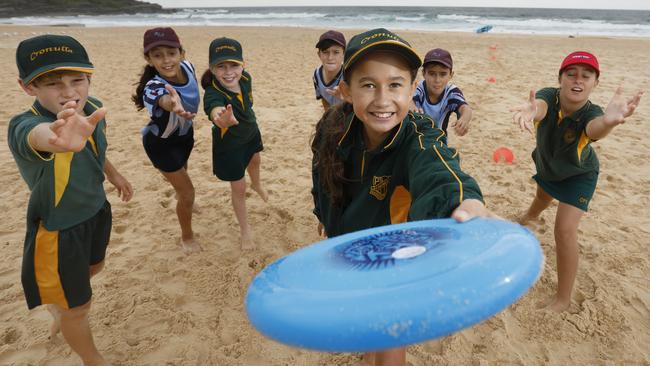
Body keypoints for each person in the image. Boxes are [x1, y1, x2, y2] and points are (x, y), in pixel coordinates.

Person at [311, 28, 495, 366]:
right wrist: (323, 215)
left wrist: (466, 202)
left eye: (395, 85)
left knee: (391, 328)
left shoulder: (417, 137)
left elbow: (440, 172)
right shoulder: (331, 130)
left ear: (413, 91)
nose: (383, 99)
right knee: (368, 319)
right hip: (347, 244)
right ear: (346, 91)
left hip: (393, 255)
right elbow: (320, 178)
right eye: (368, 85)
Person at [8, 34, 133, 366]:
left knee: (95, 267)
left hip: (96, 211)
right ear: (28, 87)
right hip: (59, 230)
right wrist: (57, 139)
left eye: (77, 79)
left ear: (89, 76)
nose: (68, 92)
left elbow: (93, 150)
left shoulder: (91, 110)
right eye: (52, 83)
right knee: (78, 309)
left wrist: (113, 174)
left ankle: (60, 307)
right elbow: (42, 138)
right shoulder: (26, 125)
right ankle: (93, 359)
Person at [511, 51, 643, 312]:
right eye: (570, 74)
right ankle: (529, 217)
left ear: (596, 83)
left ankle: (563, 299)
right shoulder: (549, 95)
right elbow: (540, 108)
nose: (577, 80)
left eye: (586, 75)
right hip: (548, 164)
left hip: (578, 175)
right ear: (560, 78)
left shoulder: (592, 113)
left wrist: (608, 122)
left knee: (564, 230)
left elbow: (595, 129)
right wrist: (531, 110)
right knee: (542, 196)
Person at [132, 27, 201, 253]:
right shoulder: (153, 87)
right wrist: (174, 104)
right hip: (161, 145)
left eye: (171, 53)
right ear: (149, 59)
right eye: (157, 55)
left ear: (182, 53)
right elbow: (164, 100)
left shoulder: (189, 67)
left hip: (184, 136)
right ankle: (187, 237)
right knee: (188, 193)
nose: (166, 60)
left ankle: (182, 195)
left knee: (184, 171)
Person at [201, 37, 268, 250]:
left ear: (243, 65)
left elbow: (248, 99)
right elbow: (214, 110)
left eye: (234, 65)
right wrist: (221, 118)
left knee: (256, 160)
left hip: (250, 131)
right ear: (212, 69)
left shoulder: (246, 78)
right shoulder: (213, 93)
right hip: (229, 145)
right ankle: (245, 230)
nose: (229, 72)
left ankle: (257, 184)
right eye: (221, 66)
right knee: (239, 188)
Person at [411, 48, 473, 143]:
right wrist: (411, 106)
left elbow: (465, 108)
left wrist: (464, 120)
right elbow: (410, 101)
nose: (437, 80)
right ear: (424, 73)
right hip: (415, 141)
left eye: (443, 74)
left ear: (451, 75)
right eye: (432, 74)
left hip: (439, 141)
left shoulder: (451, 92)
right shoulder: (419, 89)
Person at [313, 30, 346, 111]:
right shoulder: (317, 75)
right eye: (325, 52)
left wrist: (346, 98)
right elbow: (324, 100)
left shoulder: (349, 75)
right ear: (319, 54)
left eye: (336, 52)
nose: (330, 57)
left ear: (344, 54)